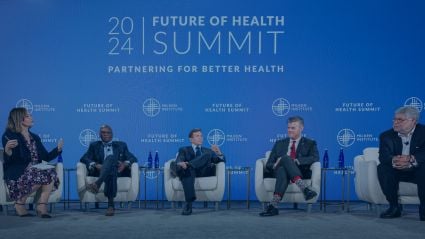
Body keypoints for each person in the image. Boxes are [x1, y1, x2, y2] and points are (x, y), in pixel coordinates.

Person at [1, 107, 63, 218]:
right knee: (42, 173)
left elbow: (45, 157)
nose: (32, 118)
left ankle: (41, 206)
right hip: (19, 173)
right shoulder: (9, 135)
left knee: (49, 170)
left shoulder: (35, 137)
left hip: (36, 171)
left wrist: (57, 150)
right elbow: (11, 160)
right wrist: (7, 150)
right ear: (20, 119)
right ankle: (19, 204)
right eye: (28, 116)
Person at [259, 116, 319, 217]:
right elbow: (269, 164)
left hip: (298, 170)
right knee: (284, 160)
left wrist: (297, 161)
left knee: (284, 166)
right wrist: (277, 163)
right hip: (277, 171)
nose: (289, 130)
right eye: (288, 128)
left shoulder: (310, 143)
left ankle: (273, 206)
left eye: (293, 128)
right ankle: (305, 189)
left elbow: (315, 158)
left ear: (301, 128)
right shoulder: (279, 143)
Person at [378, 106, 425, 221]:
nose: (396, 122)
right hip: (397, 170)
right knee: (382, 168)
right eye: (394, 119)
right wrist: (395, 160)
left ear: (413, 120)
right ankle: (394, 207)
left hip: (417, 170)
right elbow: (384, 156)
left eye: (400, 120)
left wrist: (411, 159)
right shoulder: (386, 136)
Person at [80, 124, 137, 216]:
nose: (106, 134)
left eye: (108, 132)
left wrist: (125, 164)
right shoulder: (94, 146)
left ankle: (97, 184)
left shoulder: (121, 145)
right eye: (103, 132)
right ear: (99, 134)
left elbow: (133, 158)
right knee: (111, 171)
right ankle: (111, 206)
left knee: (110, 158)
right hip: (100, 172)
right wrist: (95, 164)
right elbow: (84, 158)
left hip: (119, 171)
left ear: (112, 134)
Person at [172, 128, 225, 215]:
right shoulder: (184, 149)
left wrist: (219, 153)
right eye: (197, 136)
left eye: (201, 136)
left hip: (204, 172)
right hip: (190, 173)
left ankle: (187, 166)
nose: (200, 138)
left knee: (206, 156)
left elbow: (221, 160)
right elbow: (180, 160)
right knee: (180, 166)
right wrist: (180, 164)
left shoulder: (208, 151)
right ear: (191, 139)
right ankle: (188, 204)